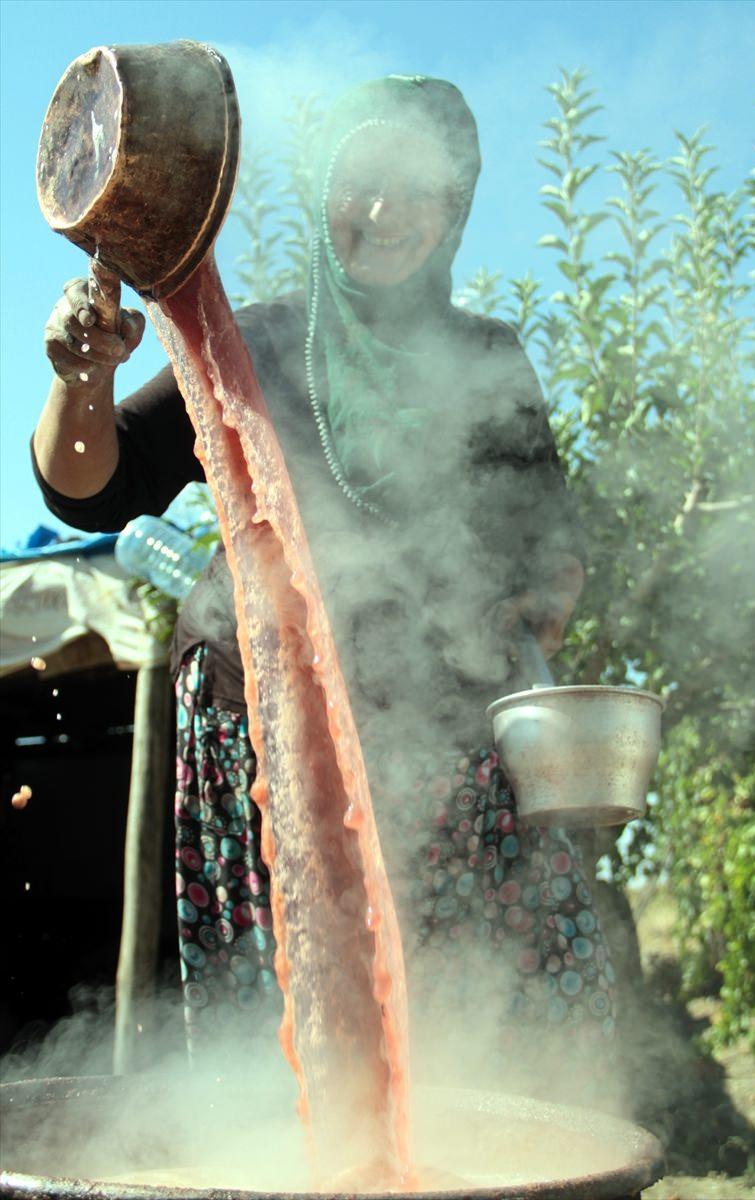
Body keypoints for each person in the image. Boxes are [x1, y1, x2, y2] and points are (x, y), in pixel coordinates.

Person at [32, 76, 615, 1084]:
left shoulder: (487, 358)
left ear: (456, 205)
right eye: (359, 184)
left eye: (413, 188)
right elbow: (92, 485)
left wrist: (538, 613)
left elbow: (549, 544)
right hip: (261, 742)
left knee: (476, 1030)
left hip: (443, 742)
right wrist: (79, 380)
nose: (384, 214)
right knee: (302, 1039)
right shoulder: (251, 343)